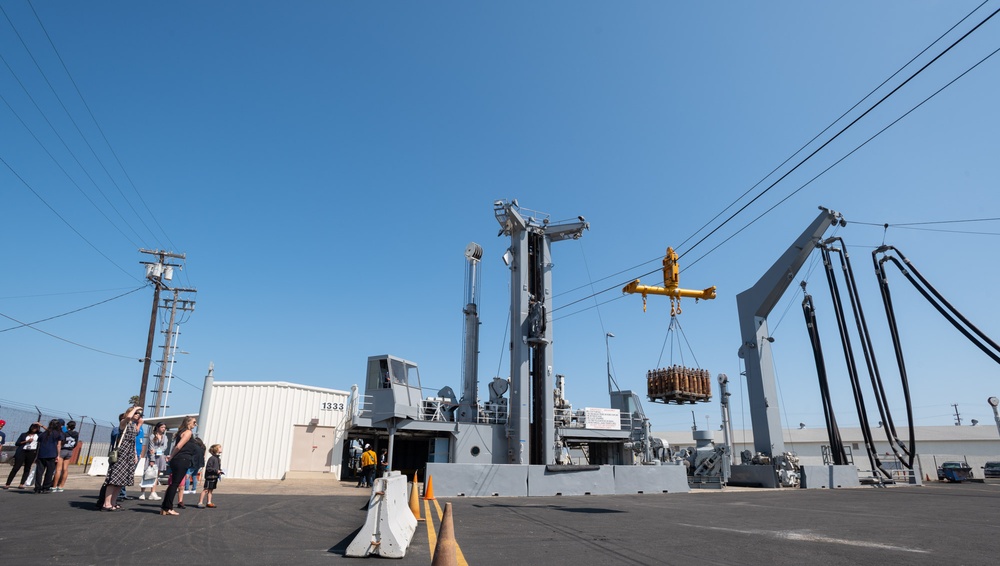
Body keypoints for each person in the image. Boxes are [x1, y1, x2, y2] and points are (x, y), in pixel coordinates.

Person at [100, 406, 143, 511]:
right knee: (113, 479)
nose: (138, 415)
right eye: (136, 413)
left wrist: (135, 454)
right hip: (121, 453)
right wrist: (135, 408)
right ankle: (106, 503)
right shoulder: (124, 422)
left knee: (121, 481)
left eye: (139, 414)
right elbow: (128, 417)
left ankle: (113, 502)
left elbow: (133, 439)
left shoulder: (133, 426)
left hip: (129, 454)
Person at [161, 416, 199, 516]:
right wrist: (171, 456)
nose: (195, 424)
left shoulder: (181, 432)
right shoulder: (188, 432)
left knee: (174, 483)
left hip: (179, 459)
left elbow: (176, 446)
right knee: (175, 484)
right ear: (188, 423)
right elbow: (178, 446)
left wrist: (171, 456)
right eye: (194, 422)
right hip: (182, 459)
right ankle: (168, 507)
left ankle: (165, 507)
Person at [4, 423, 40, 489]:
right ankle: (7, 483)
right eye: (33, 427)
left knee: (27, 468)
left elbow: (48, 432)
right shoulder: (24, 434)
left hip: (32, 452)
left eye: (36, 428)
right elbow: (17, 443)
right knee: (16, 467)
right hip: (22, 451)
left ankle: (22, 483)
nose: (34, 429)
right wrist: (26, 441)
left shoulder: (39, 435)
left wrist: (41, 425)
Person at [34, 419, 65, 493]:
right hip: (52, 454)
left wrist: (36, 456)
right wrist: (58, 455)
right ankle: (46, 487)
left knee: (39, 472)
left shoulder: (43, 434)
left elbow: (38, 444)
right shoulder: (58, 434)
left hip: (41, 454)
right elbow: (58, 445)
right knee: (49, 472)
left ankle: (37, 487)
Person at [140, 422, 168, 501]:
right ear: (158, 427)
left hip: (160, 457)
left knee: (156, 476)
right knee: (147, 474)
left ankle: (153, 492)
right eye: (162, 427)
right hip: (151, 457)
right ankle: (142, 492)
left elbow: (164, 447)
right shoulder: (152, 436)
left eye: (164, 427)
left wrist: (155, 451)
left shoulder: (164, 437)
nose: (163, 429)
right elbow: (150, 448)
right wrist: (152, 459)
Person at [53, 420, 79, 493]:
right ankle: (61, 486)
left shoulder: (65, 433)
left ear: (68, 426)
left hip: (63, 449)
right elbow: (76, 443)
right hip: (70, 450)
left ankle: (54, 486)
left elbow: (61, 442)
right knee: (65, 469)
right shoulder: (76, 434)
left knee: (58, 469)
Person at [197, 444, 224, 508]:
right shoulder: (212, 458)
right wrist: (216, 470)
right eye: (220, 448)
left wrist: (220, 471)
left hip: (215, 477)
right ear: (216, 449)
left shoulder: (218, 459)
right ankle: (200, 502)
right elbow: (208, 468)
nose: (221, 449)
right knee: (206, 489)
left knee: (211, 490)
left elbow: (216, 468)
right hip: (210, 477)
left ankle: (209, 502)